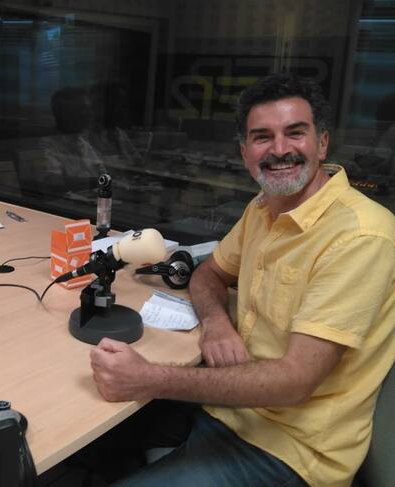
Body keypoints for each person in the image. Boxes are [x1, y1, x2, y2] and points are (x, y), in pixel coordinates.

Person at [87, 73, 395, 486]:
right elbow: (209, 273)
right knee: (83, 440)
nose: (280, 149)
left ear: (322, 143)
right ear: (244, 151)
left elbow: (294, 382)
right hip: (227, 409)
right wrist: (216, 324)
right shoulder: (265, 207)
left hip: (287, 449)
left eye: (295, 133)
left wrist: (150, 378)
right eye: (262, 137)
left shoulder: (361, 236)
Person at [38, 87, 106, 194]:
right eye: (83, 109)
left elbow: (101, 170)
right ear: (67, 114)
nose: (90, 114)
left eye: (90, 109)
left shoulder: (82, 142)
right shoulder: (47, 144)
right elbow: (55, 182)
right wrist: (99, 181)